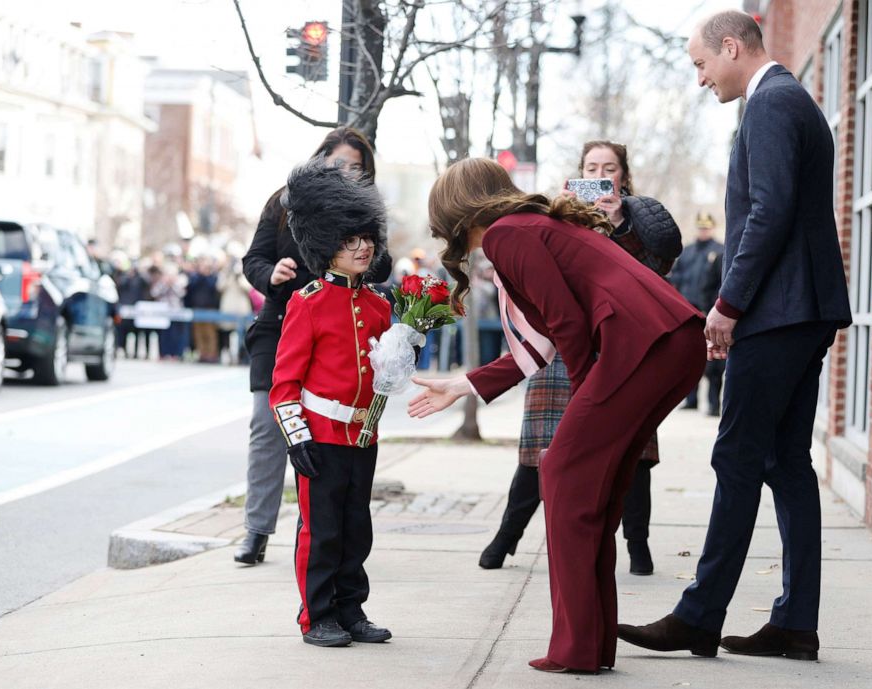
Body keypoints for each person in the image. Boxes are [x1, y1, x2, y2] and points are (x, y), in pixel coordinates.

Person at [408, 157, 706, 673]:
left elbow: (566, 324)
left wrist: (583, 401)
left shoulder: (508, 235)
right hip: (670, 341)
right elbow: (543, 338)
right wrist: (462, 386)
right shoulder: (528, 227)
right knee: (596, 492)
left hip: (645, 344)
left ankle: (577, 648)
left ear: (455, 210)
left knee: (564, 473)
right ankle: (591, 645)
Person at [616, 10, 852, 662]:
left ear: (730, 47)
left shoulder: (771, 104)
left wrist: (727, 303)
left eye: (701, 64)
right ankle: (795, 624)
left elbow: (769, 212)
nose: (700, 79)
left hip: (777, 314)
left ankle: (699, 615)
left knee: (738, 457)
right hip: (802, 312)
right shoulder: (791, 100)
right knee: (785, 462)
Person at [478, 140, 683, 576]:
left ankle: (638, 545)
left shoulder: (640, 221)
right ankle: (505, 539)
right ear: (577, 173)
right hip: (558, 349)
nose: (599, 175)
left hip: (619, 346)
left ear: (623, 176)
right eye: (591, 167)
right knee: (539, 449)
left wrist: (619, 225)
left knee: (634, 451)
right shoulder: (553, 215)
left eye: (609, 168)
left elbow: (651, 278)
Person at [235, 127, 392, 566]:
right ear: (320, 159)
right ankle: (256, 529)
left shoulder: (365, 213)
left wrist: (355, 252)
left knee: (329, 445)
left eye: (356, 168)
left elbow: (381, 263)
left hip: (338, 333)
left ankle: (323, 537)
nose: (345, 172)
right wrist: (273, 272)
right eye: (338, 162)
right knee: (268, 425)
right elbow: (253, 260)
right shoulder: (284, 201)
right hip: (280, 325)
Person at [270, 159, 392, 647]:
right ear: (327, 245)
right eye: (349, 240)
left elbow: (381, 375)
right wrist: (295, 439)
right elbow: (284, 383)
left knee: (355, 529)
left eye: (366, 237)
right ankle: (316, 614)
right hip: (320, 436)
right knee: (320, 533)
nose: (361, 247)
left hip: (364, 434)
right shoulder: (309, 301)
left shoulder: (380, 306)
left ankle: (350, 609)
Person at [670, 212, 726, 415]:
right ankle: (691, 399)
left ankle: (713, 404)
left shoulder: (720, 251)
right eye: (700, 227)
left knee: (714, 361)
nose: (704, 231)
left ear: (712, 228)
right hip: (688, 310)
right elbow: (675, 278)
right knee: (689, 357)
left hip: (711, 312)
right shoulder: (686, 252)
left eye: (707, 227)